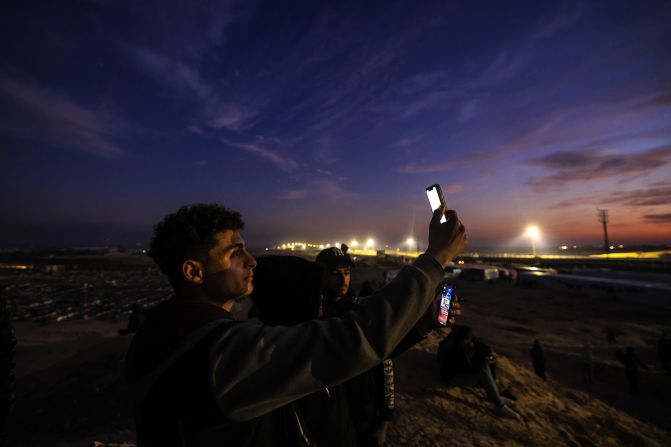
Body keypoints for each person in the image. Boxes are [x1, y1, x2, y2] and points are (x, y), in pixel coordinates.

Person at [125, 202, 467, 446]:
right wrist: (435, 259)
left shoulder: (173, 331)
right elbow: (351, 341)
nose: (251, 260)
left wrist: (420, 323)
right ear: (193, 272)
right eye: (235, 253)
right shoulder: (218, 352)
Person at [316, 247, 396, 446]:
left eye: (347, 272)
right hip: (327, 419)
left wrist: (385, 419)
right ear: (320, 274)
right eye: (335, 273)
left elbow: (386, 366)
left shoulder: (363, 311)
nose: (343, 280)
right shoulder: (312, 316)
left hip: (364, 413)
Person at [437, 325, 520, 420]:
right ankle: (499, 405)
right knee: (483, 370)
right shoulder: (458, 347)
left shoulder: (459, 340)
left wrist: (487, 356)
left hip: (458, 372)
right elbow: (468, 368)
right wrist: (484, 362)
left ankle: (495, 396)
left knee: (486, 365)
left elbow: (478, 346)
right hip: (453, 378)